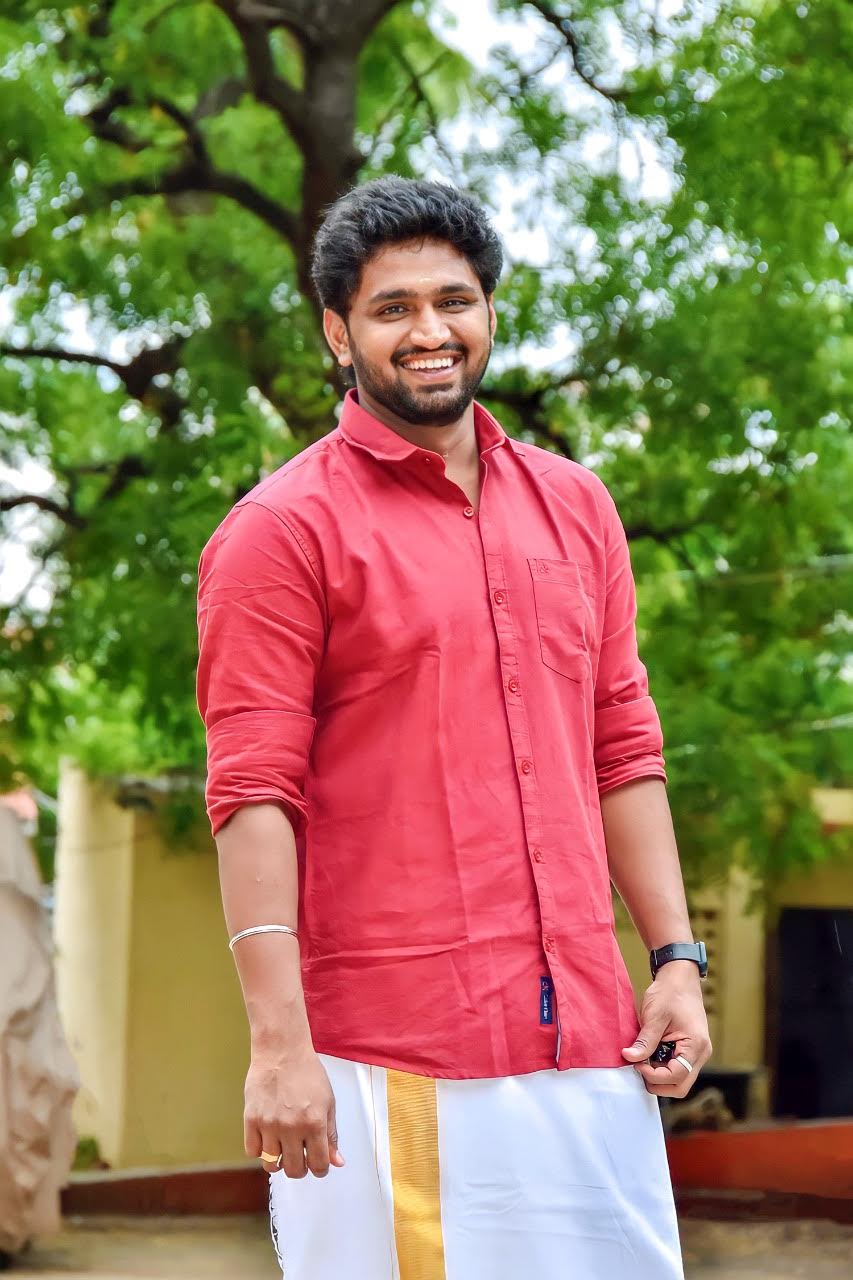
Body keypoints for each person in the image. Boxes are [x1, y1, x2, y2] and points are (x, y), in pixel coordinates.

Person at [196, 176, 711, 1280]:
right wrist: (279, 1043)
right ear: (338, 333)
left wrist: (674, 958)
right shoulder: (281, 531)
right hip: (391, 1055)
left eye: (454, 300)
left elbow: (622, 744)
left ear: (488, 311)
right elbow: (251, 792)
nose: (430, 330)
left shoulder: (577, 507)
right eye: (393, 308)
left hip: (589, 1044)